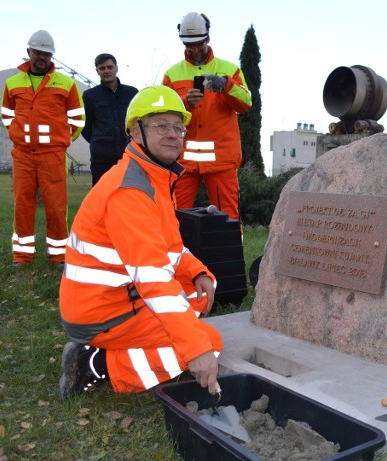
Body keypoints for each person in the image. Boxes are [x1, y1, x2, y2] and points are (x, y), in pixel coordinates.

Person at [58, 85, 222, 399]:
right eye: (160, 125)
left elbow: (171, 247)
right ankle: (95, 363)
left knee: (199, 294)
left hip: (117, 296)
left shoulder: (154, 178)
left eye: (178, 127)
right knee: (209, 343)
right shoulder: (130, 191)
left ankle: (122, 349)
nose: (173, 134)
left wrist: (199, 273)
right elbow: (153, 279)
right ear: (136, 132)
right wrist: (197, 348)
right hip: (101, 311)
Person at [1, 30, 85, 268]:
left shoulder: (66, 84)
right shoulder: (12, 83)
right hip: (23, 155)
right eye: (37, 52)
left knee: (56, 206)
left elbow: (78, 119)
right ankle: (22, 256)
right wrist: (18, 135)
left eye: (46, 54)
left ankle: (58, 256)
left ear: (52, 57)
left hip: (52, 155)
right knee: (22, 204)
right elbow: (7, 115)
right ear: (28, 52)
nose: (41, 57)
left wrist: (62, 140)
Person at [162, 12, 252, 221]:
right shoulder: (171, 74)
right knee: (175, 215)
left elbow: (246, 102)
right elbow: (163, 114)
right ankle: (176, 254)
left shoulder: (229, 69)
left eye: (199, 44)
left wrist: (227, 86)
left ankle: (230, 255)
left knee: (228, 216)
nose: (195, 50)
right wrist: (185, 102)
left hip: (220, 159)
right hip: (183, 160)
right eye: (189, 45)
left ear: (208, 39)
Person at [82, 53, 138, 186]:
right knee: (101, 196)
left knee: (129, 194)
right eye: (102, 68)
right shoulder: (90, 96)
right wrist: (98, 139)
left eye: (109, 67)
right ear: (97, 71)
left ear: (116, 68)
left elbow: (138, 121)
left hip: (129, 155)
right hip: (101, 159)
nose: (106, 71)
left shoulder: (132, 93)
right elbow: (85, 126)